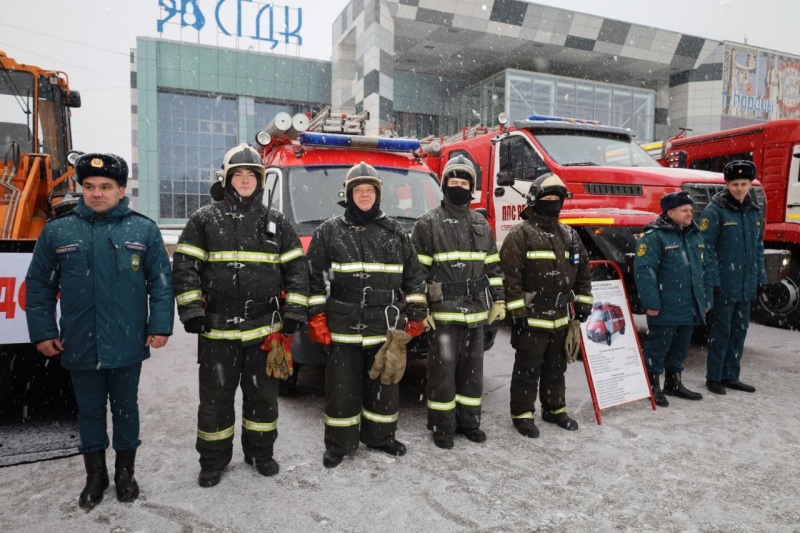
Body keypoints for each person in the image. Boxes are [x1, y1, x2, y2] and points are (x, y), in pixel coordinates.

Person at [25, 153, 174, 509]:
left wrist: (160, 325)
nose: (96, 194)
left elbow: (161, 283)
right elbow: (38, 286)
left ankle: (125, 473)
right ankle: (96, 476)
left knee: (126, 410)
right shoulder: (58, 231)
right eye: (89, 186)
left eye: (105, 187)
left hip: (127, 341)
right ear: (80, 188)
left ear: (121, 190)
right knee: (89, 412)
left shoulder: (144, 229)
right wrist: (43, 331)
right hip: (79, 341)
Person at [172, 143, 308, 488]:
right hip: (217, 330)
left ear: (260, 181)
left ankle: (260, 453)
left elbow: (297, 271)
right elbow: (185, 266)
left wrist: (294, 310)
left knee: (262, 398)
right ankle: (213, 462)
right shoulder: (203, 219)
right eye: (239, 174)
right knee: (215, 402)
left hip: (265, 330)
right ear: (227, 178)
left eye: (252, 174)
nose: (245, 180)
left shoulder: (277, 222)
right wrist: (191, 309)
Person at [306, 162, 428, 468]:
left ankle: (381, 437)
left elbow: (414, 277)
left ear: (378, 195)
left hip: (384, 323)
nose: (364, 195)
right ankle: (339, 443)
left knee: (384, 383)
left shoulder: (396, 232)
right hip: (342, 322)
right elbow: (315, 278)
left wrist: (416, 314)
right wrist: (316, 315)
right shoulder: (328, 232)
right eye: (358, 190)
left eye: (369, 190)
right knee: (341, 387)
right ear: (347, 194)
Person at [411, 156, 505, 449]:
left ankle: (469, 422)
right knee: (443, 372)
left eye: (464, 182)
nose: (459, 187)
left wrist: (499, 300)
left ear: (472, 188)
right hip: (444, 313)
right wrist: (421, 306)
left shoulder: (480, 224)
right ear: (444, 186)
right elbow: (417, 272)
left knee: (472, 372)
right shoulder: (428, 223)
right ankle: (442, 426)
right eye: (454, 182)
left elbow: (493, 266)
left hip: (476, 312)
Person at [499, 173, 593, 438]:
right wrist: (515, 311)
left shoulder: (570, 235)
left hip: (561, 317)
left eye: (557, 199)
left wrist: (584, 303)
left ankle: (554, 410)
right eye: (547, 199)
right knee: (527, 369)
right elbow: (510, 276)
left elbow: (584, 272)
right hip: (531, 317)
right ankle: (522, 415)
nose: (552, 204)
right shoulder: (521, 234)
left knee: (556, 368)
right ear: (534, 200)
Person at [634, 190, 712, 407]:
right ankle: (652, 385)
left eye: (690, 209)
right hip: (665, 306)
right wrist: (651, 303)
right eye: (684, 210)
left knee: (681, 346)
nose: (690, 214)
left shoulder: (695, 235)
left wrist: (705, 300)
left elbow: (705, 269)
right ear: (670, 212)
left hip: (690, 305)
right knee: (658, 346)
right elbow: (644, 271)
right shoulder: (654, 237)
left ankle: (673, 382)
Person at [700, 160, 766, 394]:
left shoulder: (753, 212)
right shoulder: (715, 211)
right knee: (721, 332)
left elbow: (758, 247)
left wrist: (760, 278)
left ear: (750, 185)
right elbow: (706, 249)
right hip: (724, 285)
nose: (739, 188)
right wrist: (714, 281)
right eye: (735, 183)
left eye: (744, 183)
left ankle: (731, 375)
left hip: (745, 284)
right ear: (727, 184)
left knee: (740, 331)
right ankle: (714, 377)